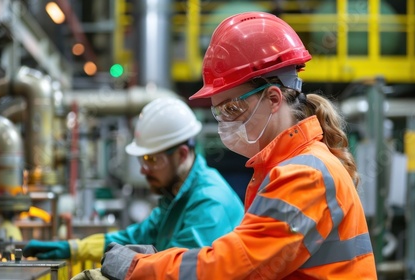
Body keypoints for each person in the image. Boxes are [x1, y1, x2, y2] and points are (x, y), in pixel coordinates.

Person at [95, 11, 378, 280]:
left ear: (274, 98)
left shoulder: (304, 175)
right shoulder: (286, 169)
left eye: (232, 109)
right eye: (219, 112)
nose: (224, 124)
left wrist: (137, 268)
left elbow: (230, 268)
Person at [23, 97, 245, 262]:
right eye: (142, 160)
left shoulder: (208, 204)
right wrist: (75, 248)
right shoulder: (178, 196)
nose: (143, 170)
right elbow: (135, 236)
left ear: (182, 155)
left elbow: (178, 271)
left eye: (151, 160)